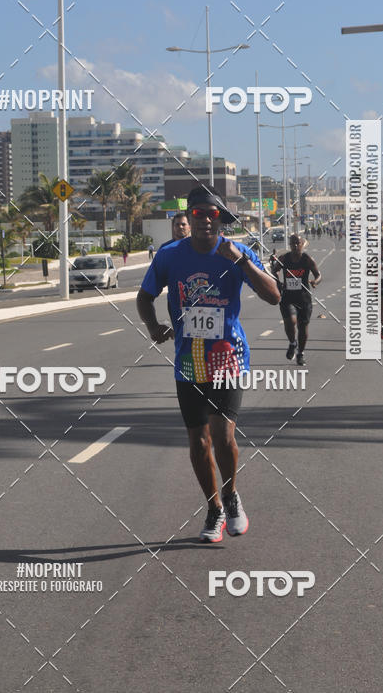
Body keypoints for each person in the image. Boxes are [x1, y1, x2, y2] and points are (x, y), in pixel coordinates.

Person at [136, 187, 280, 543]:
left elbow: (274, 295)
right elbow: (144, 296)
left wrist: (242, 261)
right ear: (189, 218)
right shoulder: (170, 256)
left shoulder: (236, 252)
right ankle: (214, 508)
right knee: (198, 442)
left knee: (222, 435)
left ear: (220, 219)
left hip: (228, 355)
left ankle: (231, 497)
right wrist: (153, 326)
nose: (202, 220)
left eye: (210, 214)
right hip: (188, 359)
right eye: (196, 214)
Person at [271, 234, 321, 367]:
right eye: (292, 243)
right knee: (290, 322)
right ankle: (293, 343)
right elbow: (274, 270)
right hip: (287, 296)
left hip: (303, 297)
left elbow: (318, 275)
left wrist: (315, 282)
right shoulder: (284, 258)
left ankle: (300, 354)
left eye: (297, 243)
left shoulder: (307, 259)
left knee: (302, 327)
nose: (294, 246)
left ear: (301, 244)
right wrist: (278, 282)